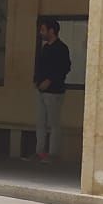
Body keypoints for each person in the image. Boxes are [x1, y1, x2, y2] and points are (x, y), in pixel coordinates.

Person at [32, 17, 71, 163]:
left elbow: (64, 68)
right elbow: (40, 66)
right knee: (40, 122)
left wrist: (49, 81)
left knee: (54, 123)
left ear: (51, 31)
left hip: (54, 91)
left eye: (43, 30)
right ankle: (40, 152)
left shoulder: (62, 48)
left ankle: (53, 154)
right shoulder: (45, 47)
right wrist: (37, 81)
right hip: (41, 90)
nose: (41, 33)